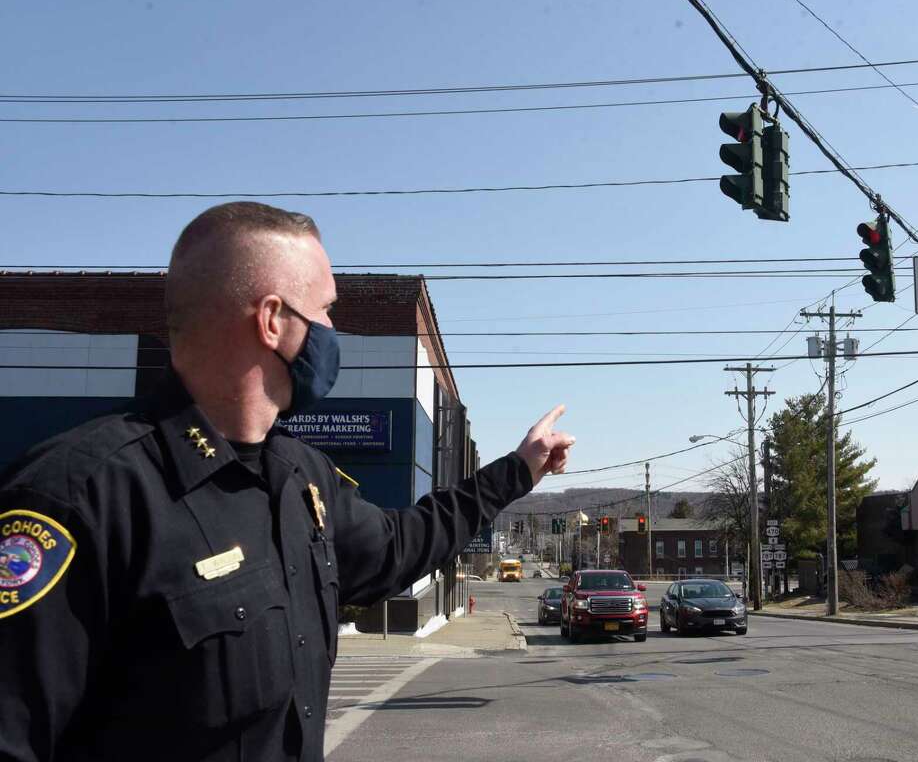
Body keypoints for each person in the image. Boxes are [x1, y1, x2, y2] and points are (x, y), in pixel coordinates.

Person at [0, 202, 574, 762]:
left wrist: (518, 470)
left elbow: (401, 545)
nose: (332, 329)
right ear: (273, 321)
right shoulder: (79, 499)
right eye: (324, 310)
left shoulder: (303, 478)